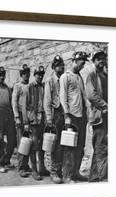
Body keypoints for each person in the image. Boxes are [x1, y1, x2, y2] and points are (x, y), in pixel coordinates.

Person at [59, 51, 89, 183]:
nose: (82, 67)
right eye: (81, 64)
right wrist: (66, 116)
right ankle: (67, 175)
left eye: (83, 64)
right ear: (75, 61)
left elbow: (83, 96)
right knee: (69, 148)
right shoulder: (65, 77)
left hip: (81, 116)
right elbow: (63, 96)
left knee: (80, 146)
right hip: (71, 116)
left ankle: (76, 172)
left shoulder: (79, 76)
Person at [85, 51, 108, 182]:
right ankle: (98, 176)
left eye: (103, 59)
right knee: (99, 146)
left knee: (103, 146)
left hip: (107, 116)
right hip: (98, 117)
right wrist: (105, 106)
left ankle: (95, 175)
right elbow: (91, 95)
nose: (101, 61)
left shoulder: (105, 75)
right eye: (98, 59)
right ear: (94, 61)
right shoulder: (91, 75)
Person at [23, 66, 47, 180]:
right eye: (38, 74)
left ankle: (42, 168)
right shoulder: (30, 87)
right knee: (33, 146)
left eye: (42, 74)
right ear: (34, 75)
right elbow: (24, 106)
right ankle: (34, 170)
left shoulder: (44, 86)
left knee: (42, 145)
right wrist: (26, 122)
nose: (40, 76)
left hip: (42, 119)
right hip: (33, 120)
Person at [44, 55, 65, 184]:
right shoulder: (50, 80)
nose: (60, 67)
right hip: (55, 113)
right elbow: (47, 100)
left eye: (61, 65)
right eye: (57, 65)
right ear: (54, 67)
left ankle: (61, 169)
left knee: (63, 143)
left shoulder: (64, 78)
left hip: (64, 113)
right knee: (54, 144)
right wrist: (49, 118)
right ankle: (54, 171)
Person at [12, 64, 31, 177]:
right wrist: (17, 117)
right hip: (20, 116)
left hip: (28, 117)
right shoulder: (17, 86)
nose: (26, 75)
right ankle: (20, 167)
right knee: (21, 142)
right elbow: (14, 102)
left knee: (28, 142)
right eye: (24, 73)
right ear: (21, 74)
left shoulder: (30, 86)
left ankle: (26, 164)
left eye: (27, 73)